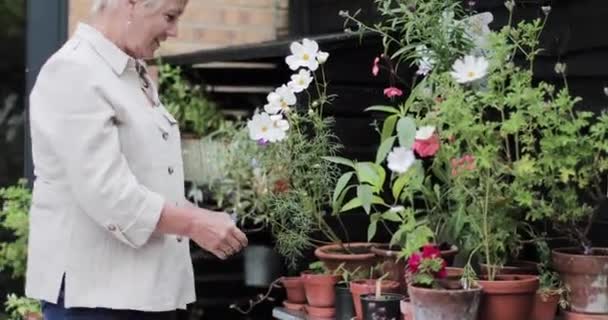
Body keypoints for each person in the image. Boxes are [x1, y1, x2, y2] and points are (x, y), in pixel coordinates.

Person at [26, 0, 248, 319]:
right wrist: (196, 224)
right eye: (170, 17)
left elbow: (146, 179)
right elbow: (109, 194)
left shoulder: (129, 73)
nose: (174, 31)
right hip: (95, 300)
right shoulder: (74, 71)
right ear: (131, 4)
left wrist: (199, 216)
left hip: (142, 293)